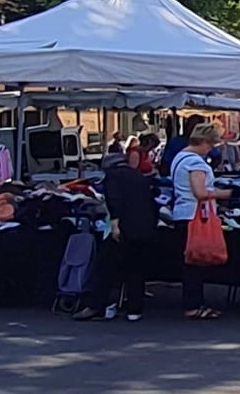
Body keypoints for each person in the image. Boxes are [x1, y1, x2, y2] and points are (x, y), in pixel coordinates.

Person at [81, 147, 159, 322]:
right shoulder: (138, 177)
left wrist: (115, 225)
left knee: (106, 267)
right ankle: (134, 309)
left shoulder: (113, 177)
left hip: (125, 227)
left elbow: (114, 200)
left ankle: (99, 306)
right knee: (136, 269)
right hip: (144, 228)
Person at [169, 122, 232, 320]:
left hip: (182, 213)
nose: (211, 150)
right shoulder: (195, 162)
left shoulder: (179, 158)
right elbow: (200, 192)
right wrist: (226, 193)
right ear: (203, 142)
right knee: (195, 263)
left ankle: (193, 304)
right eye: (211, 145)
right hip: (194, 215)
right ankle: (194, 305)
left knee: (190, 262)